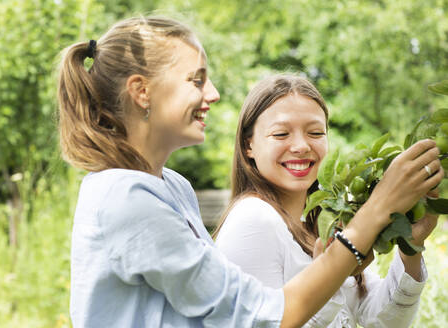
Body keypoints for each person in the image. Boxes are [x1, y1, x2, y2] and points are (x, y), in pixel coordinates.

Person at [56, 16, 443, 327]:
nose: (213, 94)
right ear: (142, 92)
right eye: (196, 80)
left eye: (315, 132)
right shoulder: (126, 200)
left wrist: (368, 252)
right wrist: (375, 212)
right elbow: (263, 318)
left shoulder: (171, 186)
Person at [213, 73, 442, 327]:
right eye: (280, 134)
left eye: (315, 132)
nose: (301, 145)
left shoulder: (323, 221)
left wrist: (411, 248)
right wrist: (334, 269)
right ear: (249, 146)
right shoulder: (253, 219)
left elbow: (382, 321)